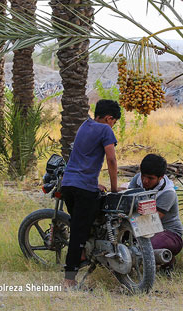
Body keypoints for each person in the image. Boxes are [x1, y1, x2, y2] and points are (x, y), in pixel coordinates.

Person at [60, 99, 121, 288]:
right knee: (79, 231)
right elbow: (111, 160)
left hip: (68, 184)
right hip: (83, 188)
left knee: (80, 222)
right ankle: (69, 279)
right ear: (109, 118)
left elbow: (83, 159)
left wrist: (95, 184)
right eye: (114, 121)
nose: (113, 125)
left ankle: (84, 254)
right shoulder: (105, 130)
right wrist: (113, 188)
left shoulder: (84, 125)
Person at [127, 154, 183, 270]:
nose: (145, 181)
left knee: (145, 248)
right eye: (143, 176)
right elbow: (128, 202)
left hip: (168, 233)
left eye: (150, 178)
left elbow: (151, 222)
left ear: (161, 177)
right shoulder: (137, 179)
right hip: (140, 226)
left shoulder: (168, 193)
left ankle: (167, 259)